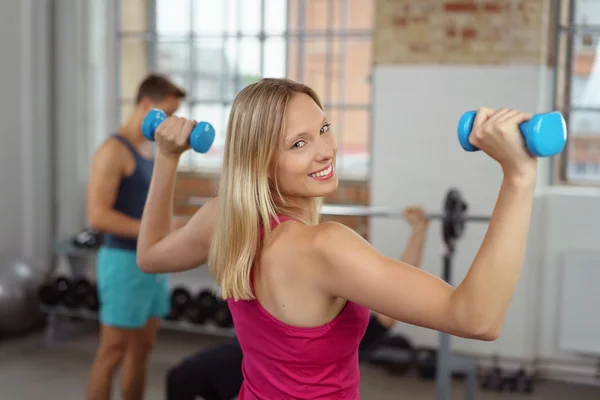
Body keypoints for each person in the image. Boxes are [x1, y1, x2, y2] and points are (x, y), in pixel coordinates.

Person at [136, 78, 538, 399]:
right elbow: (478, 318)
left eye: (324, 129)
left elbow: (150, 255)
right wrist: (518, 176)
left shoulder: (223, 217)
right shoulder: (324, 247)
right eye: (299, 143)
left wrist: (168, 157)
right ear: (259, 161)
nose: (326, 150)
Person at [165, 207, 429, 400]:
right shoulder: (290, 254)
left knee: (185, 379)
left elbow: (400, 284)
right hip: (252, 355)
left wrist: (419, 230)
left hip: (277, 375)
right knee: (183, 378)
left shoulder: (365, 330)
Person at [85, 73, 187, 400]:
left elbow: (147, 212)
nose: (171, 121)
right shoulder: (113, 151)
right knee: (112, 352)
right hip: (123, 264)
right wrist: (156, 233)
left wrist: (172, 228)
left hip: (151, 265)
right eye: (167, 113)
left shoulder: (149, 150)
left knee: (142, 348)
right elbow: (98, 216)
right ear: (147, 105)